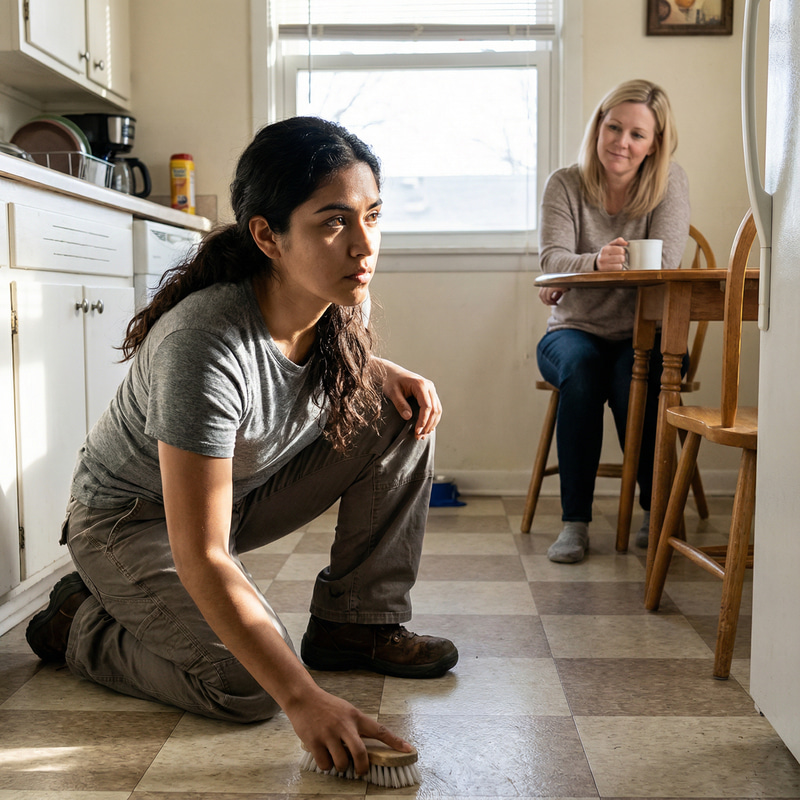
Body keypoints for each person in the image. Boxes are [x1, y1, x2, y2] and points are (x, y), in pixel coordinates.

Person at [25, 116, 458, 777]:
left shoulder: (341, 299)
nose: (364, 245)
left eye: (373, 215)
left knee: (400, 414)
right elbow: (199, 551)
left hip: (237, 495)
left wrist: (381, 369)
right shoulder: (202, 345)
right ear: (268, 236)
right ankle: (80, 622)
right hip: (131, 520)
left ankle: (357, 624)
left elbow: (302, 356)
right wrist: (302, 697)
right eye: (334, 222)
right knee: (251, 686)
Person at [536, 79, 690, 563]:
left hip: (649, 333)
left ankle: (653, 509)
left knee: (634, 382)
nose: (622, 142)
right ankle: (574, 523)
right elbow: (550, 261)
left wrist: (579, 271)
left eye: (637, 134)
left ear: (655, 144)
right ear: (598, 126)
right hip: (572, 330)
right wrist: (594, 264)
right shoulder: (565, 183)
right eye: (614, 126)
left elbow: (664, 263)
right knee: (582, 373)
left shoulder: (669, 183)